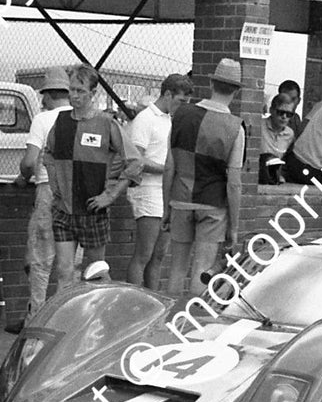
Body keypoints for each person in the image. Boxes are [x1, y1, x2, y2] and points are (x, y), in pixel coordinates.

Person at [163, 58, 246, 297]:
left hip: (180, 199)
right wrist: (234, 226)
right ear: (236, 91)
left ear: (211, 83)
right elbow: (234, 182)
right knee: (202, 270)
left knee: (176, 269)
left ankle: (168, 326)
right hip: (213, 205)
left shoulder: (181, 115)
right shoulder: (236, 128)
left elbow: (170, 166)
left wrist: (166, 207)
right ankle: (191, 324)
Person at [47, 63, 127, 289]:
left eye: (80, 91)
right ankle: (64, 322)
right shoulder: (61, 121)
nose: (74, 95)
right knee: (63, 271)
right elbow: (48, 154)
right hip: (64, 209)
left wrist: (110, 195)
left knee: (96, 272)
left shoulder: (106, 123)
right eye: (71, 89)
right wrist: (56, 184)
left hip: (93, 210)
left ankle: (100, 317)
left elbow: (134, 162)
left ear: (93, 94)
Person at [9, 67, 73, 334]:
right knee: (69, 262)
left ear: (47, 94)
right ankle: (64, 321)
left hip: (48, 188)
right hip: (76, 193)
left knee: (41, 260)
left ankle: (35, 319)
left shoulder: (44, 119)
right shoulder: (81, 118)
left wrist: (24, 177)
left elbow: (29, 162)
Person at [124, 73, 192, 287]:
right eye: (180, 101)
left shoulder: (170, 119)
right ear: (168, 94)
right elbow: (136, 160)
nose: (182, 106)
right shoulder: (145, 119)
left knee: (159, 255)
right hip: (147, 191)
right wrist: (167, 170)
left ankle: (153, 302)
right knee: (144, 254)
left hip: (165, 192)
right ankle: (134, 302)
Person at [260, 92, 298, 185]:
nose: (284, 117)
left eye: (289, 114)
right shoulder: (259, 126)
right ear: (271, 110)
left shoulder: (290, 134)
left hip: (275, 180)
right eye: (281, 112)